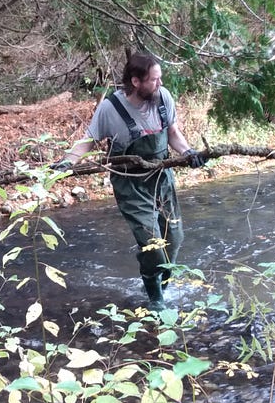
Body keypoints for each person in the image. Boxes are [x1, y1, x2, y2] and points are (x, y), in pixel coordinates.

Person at [52, 52, 204, 310]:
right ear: (136, 81)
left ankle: (160, 286)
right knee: (152, 245)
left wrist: (189, 153)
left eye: (160, 78)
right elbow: (88, 141)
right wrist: (67, 163)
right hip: (130, 184)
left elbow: (173, 134)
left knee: (174, 239)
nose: (160, 84)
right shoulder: (110, 108)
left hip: (161, 177)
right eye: (154, 80)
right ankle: (155, 299)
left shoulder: (163, 98)